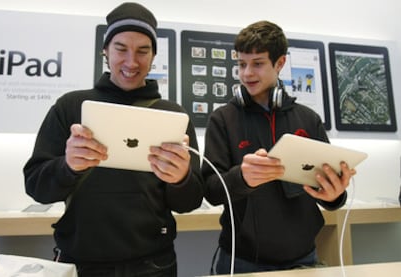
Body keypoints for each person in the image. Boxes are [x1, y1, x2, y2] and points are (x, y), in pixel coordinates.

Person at [23, 2, 204, 277]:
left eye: (143, 51)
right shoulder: (71, 106)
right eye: (120, 49)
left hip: (154, 265)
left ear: (154, 56)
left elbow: (189, 201)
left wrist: (181, 179)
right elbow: (36, 186)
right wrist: (68, 165)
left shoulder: (173, 116)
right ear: (105, 51)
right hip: (80, 262)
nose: (131, 62)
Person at [202, 20, 356, 274]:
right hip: (240, 261)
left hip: (304, 258)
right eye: (241, 64)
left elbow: (329, 192)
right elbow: (210, 190)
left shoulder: (308, 119)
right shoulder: (223, 119)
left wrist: (335, 195)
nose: (247, 73)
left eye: (258, 64)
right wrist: (242, 177)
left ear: (280, 63)